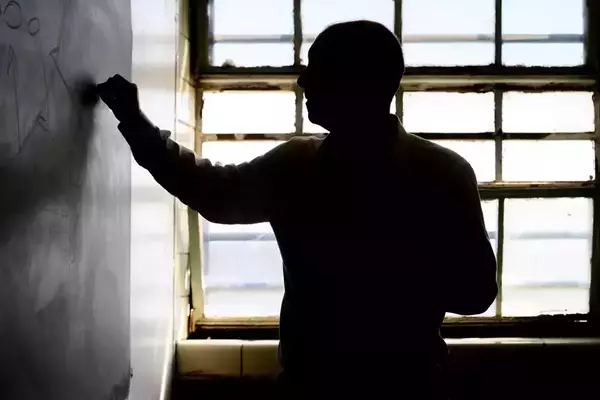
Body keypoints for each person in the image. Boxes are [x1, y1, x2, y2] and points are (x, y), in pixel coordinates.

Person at [98, 20, 497, 399]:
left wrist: (138, 128)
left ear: (356, 82)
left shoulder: (298, 166)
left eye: (317, 68)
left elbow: (213, 192)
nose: (303, 80)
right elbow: (476, 293)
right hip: (408, 383)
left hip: (320, 386)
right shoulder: (444, 172)